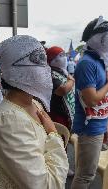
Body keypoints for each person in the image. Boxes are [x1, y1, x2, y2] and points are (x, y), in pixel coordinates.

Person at [0, 35, 69, 189]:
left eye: (43, 61)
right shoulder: (10, 120)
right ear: (15, 70)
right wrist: (54, 135)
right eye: (36, 61)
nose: (45, 69)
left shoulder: (34, 103)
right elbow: (47, 184)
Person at [71, 16, 108, 189]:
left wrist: (105, 125)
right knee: (85, 175)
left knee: (87, 172)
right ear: (98, 38)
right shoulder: (87, 63)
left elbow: (103, 100)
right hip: (89, 128)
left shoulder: (99, 61)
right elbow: (91, 100)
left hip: (98, 125)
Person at [46, 46, 75, 177]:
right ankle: (58, 169)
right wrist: (71, 80)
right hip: (56, 114)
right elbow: (62, 90)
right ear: (52, 59)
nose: (64, 58)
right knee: (59, 142)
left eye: (64, 54)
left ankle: (62, 166)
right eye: (60, 55)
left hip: (63, 114)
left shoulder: (61, 71)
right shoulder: (51, 73)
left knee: (64, 140)